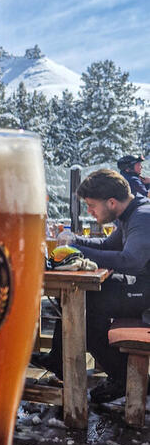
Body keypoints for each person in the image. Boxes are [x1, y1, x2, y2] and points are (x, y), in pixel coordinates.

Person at [32, 168, 150, 403]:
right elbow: (107, 246)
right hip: (140, 287)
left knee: (85, 302)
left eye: (91, 205)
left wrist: (77, 250)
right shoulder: (131, 213)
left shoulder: (143, 217)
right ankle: (61, 358)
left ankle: (123, 377)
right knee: (78, 297)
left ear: (112, 202)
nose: (89, 211)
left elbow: (131, 261)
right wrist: (74, 241)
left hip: (146, 295)